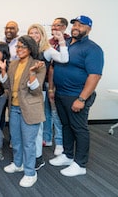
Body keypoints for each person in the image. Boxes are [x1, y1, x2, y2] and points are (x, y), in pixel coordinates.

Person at [49, 15, 103, 177]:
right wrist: (52, 89)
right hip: (61, 94)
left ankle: (80, 164)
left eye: (81, 25)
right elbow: (54, 67)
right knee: (66, 125)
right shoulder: (65, 45)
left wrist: (81, 99)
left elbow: (95, 76)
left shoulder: (92, 49)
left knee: (79, 129)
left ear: (89, 29)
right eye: (75, 24)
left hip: (76, 96)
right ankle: (67, 155)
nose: (76, 27)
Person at [1, 35, 46, 188]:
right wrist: (2, 71)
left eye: (22, 47)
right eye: (17, 47)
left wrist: (33, 73)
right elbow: (8, 85)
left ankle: (30, 173)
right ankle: (18, 163)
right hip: (14, 107)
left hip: (30, 108)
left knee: (28, 144)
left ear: (30, 48)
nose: (19, 49)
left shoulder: (38, 64)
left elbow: (36, 90)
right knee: (16, 140)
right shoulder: (13, 64)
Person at [27, 23, 69, 170]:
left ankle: (38, 157)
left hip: (39, 92)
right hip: (24, 92)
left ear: (42, 35)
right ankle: (28, 154)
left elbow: (64, 59)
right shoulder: (25, 50)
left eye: (36, 33)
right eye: (31, 33)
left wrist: (62, 41)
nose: (34, 36)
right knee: (27, 125)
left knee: (37, 126)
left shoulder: (46, 50)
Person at [44, 17, 70, 154]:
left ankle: (59, 142)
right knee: (46, 112)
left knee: (56, 113)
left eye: (58, 25)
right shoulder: (48, 43)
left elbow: (63, 63)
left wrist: (51, 89)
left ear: (64, 27)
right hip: (47, 81)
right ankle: (47, 138)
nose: (54, 28)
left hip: (58, 82)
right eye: (52, 25)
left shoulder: (68, 42)